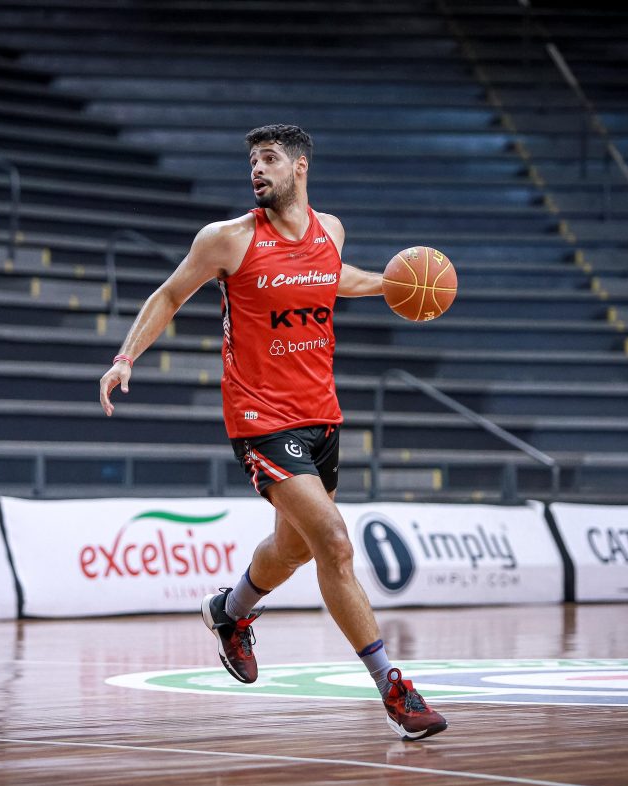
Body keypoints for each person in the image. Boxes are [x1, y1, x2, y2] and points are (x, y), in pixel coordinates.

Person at [98, 124, 447, 741]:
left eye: (269, 160)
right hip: (260, 419)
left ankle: (228, 613)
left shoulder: (330, 231)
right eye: (252, 162)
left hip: (321, 416)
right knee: (335, 543)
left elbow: (326, 277)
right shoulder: (226, 241)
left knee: (294, 549)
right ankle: (394, 687)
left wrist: (391, 284)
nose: (256, 170)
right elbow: (170, 294)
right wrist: (126, 357)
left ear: (300, 168)